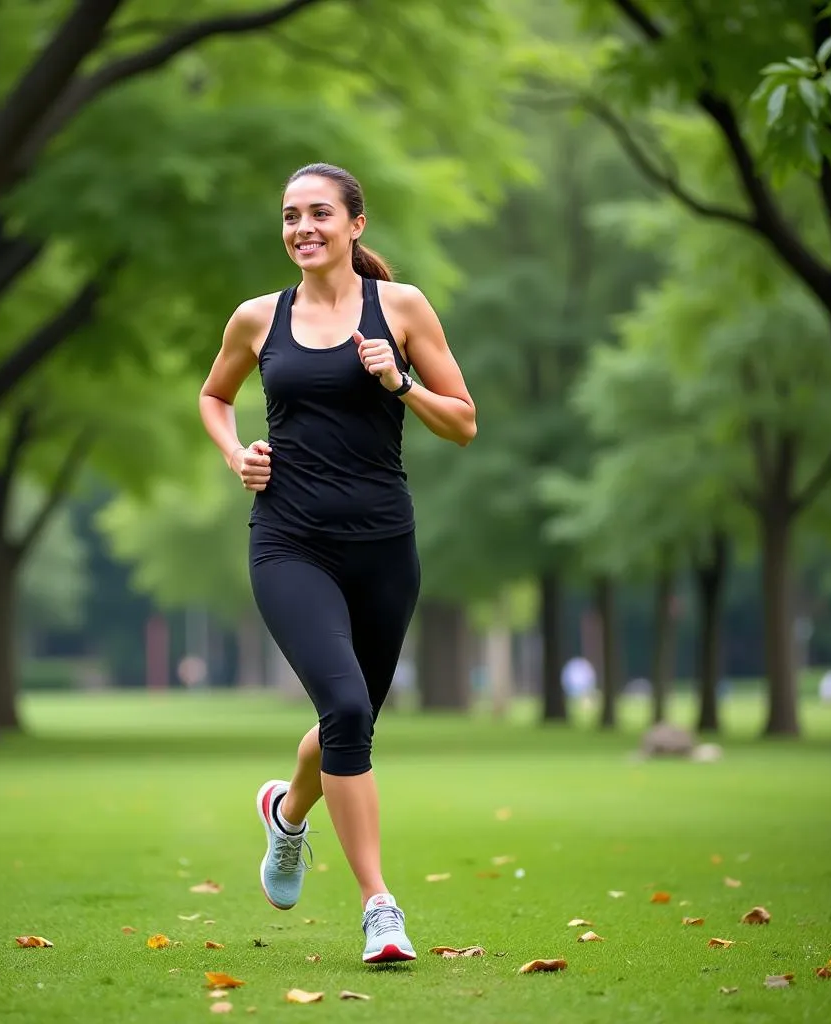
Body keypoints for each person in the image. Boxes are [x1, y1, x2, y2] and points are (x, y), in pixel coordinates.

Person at [198, 162, 476, 964]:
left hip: (384, 546)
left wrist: (400, 383)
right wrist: (235, 454)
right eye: (290, 216)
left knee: (347, 722)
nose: (302, 228)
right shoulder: (257, 318)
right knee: (348, 713)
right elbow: (214, 396)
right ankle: (378, 907)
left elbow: (462, 423)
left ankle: (287, 814)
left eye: (319, 213)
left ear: (356, 224)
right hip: (288, 541)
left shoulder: (402, 309)